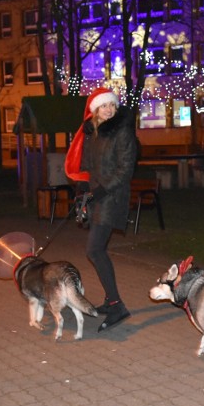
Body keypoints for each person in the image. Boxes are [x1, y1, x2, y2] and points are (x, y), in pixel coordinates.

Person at [65, 87, 137, 332]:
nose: (108, 110)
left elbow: (125, 170)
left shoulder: (122, 132)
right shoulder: (91, 133)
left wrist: (99, 192)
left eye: (112, 106)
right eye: (104, 106)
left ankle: (117, 304)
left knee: (94, 250)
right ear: (94, 109)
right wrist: (81, 193)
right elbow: (85, 166)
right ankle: (110, 299)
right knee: (97, 250)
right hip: (98, 197)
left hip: (113, 197)